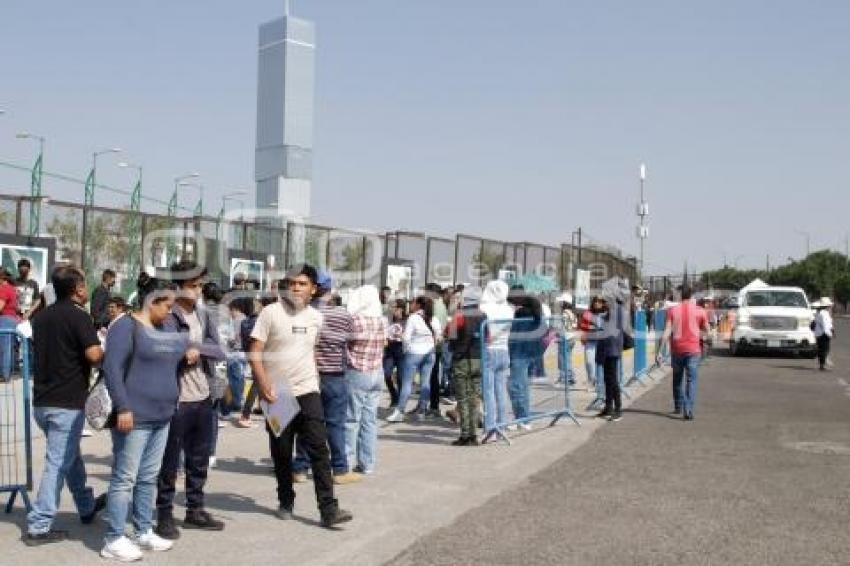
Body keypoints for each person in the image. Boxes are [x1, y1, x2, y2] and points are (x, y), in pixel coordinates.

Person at [247, 264, 353, 528]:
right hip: (278, 393)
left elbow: (310, 351)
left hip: (308, 390)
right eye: (292, 283)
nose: (296, 288)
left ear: (313, 289)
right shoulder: (271, 313)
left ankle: (328, 509)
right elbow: (255, 350)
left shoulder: (316, 318)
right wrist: (263, 384)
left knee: (319, 448)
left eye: (302, 284)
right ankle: (285, 499)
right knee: (282, 452)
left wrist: (315, 379)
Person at [99, 279, 190, 561]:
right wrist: (123, 408)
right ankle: (113, 538)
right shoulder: (125, 327)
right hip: (134, 416)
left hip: (162, 415)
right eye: (167, 305)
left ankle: (142, 530)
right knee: (125, 478)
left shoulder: (166, 326)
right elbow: (112, 370)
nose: (171, 311)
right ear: (152, 302)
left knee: (148, 477)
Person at [25, 266, 106, 546]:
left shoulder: (42, 317)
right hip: (66, 403)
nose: (86, 290)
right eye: (84, 285)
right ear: (78, 289)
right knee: (58, 463)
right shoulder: (79, 317)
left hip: (43, 402)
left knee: (69, 457)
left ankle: (85, 506)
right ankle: (39, 525)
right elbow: (95, 354)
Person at [155, 261, 227, 540]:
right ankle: (164, 514)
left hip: (203, 394)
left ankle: (195, 509)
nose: (198, 291)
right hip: (177, 399)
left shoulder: (203, 314)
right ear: (178, 286)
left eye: (200, 286)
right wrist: (182, 349)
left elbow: (219, 349)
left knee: (199, 458)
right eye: (192, 286)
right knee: (170, 461)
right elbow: (164, 347)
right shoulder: (167, 314)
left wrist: (197, 348)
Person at [292, 272, 360, 485]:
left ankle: (300, 468)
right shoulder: (342, 314)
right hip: (334, 376)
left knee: (306, 423)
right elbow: (353, 342)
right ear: (330, 290)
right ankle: (339, 469)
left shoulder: (302, 313)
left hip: (307, 375)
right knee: (335, 424)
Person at [344, 285, 387, 473]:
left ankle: (345, 462)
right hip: (377, 373)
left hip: (357, 372)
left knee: (351, 419)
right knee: (370, 420)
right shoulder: (382, 320)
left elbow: (343, 342)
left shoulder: (354, 321)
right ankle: (367, 463)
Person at [387, 295, 442, 423]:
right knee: (425, 382)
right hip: (430, 353)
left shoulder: (413, 318)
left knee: (407, 383)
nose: (411, 304)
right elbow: (439, 337)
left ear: (418, 305)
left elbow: (406, 338)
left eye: (413, 302)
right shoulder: (434, 319)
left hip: (414, 353)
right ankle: (422, 410)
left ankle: (400, 411)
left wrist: (406, 349)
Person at [657, 286, 708, 420]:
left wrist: (660, 350)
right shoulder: (700, 311)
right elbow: (707, 330)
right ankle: (688, 409)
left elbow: (667, 331)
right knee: (691, 380)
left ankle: (678, 405)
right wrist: (700, 335)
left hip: (677, 349)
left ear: (680, 296)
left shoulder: (672, 310)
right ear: (692, 296)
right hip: (693, 349)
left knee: (677, 379)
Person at [446, 287, 486, 446]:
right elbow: (487, 337)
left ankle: (465, 435)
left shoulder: (460, 315)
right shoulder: (484, 316)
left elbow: (450, 334)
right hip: (478, 359)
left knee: (462, 398)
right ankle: (474, 435)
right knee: (475, 398)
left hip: (462, 360)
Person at [479, 280, 513, 439]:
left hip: (489, 350)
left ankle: (491, 428)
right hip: (504, 350)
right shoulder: (509, 309)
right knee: (500, 390)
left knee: (488, 392)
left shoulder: (484, 308)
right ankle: (502, 425)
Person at [507, 290, 544, 431]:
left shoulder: (522, 316)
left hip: (519, 354)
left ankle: (522, 418)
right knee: (522, 386)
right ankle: (523, 417)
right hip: (529, 354)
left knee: (516, 387)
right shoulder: (536, 316)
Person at [594, 290, 626, 422]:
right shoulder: (611, 310)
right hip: (607, 349)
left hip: (612, 349)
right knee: (608, 379)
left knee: (613, 380)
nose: (604, 301)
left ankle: (618, 409)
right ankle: (608, 407)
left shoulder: (616, 310)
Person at [580, 296, 606, 404]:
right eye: (595, 301)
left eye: (599, 302)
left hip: (601, 342)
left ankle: (599, 386)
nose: (597, 303)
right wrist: (583, 335)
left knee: (600, 365)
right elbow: (583, 327)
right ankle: (592, 380)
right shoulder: (587, 313)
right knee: (589, 362)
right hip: (590, 342)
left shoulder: (606, 314)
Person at [382, 300, 406, 408]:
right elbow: (384, 332)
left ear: (401, 308)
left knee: (401, 377)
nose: (392, 309)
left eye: (394, 307)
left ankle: (401, 402)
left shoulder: (407, 320)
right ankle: (394, 396)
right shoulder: (388, 319)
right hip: (389, 349)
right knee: (386, 374)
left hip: (401, 349)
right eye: (391, 307)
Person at [0, 268, 19, 381]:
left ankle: (4, 374)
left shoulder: (3, 289)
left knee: (4, 348)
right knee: (8, 347)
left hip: (5, 319)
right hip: (11, 318)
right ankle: (7, 373)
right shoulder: (12, 289)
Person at [813, 298, 835, 371]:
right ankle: (822, 365)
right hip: (824, 334)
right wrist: (829, 333)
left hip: (819, 333)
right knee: (825, 350)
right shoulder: (824, 313)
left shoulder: (819, 312)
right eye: (829, 305)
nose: (830, 307)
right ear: (826, 306)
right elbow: (826, 325)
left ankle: (822, 365)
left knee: (822, 349)